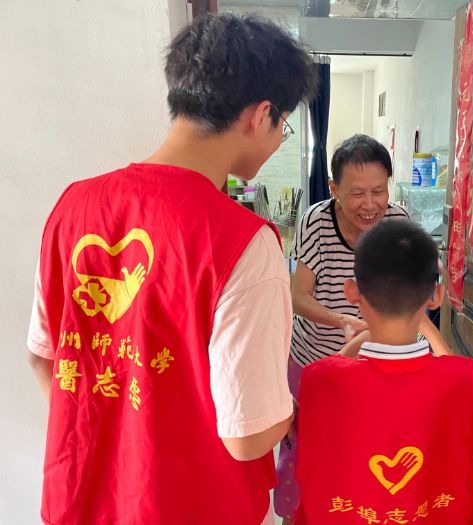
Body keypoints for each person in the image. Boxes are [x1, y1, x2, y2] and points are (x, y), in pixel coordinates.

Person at [26, 13, 317, 525]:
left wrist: (114, 434)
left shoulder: (72, 207)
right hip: (188, 506)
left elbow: (43, 357)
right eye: (283, 125)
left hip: (81, 498)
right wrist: (295, 410)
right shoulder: (243, 241)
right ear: (261, 115)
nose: (278, 140)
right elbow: (248, 437)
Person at [275, 134, 450, 521]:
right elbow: (298, 296)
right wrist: (341, 320)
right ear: (334, 188)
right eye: (357, 193)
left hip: (374, 366)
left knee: (360, 454)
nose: (370, 205)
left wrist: (374, 334)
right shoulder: (316, 223)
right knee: (305, 451)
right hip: (313, 359)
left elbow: (410, 290)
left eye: (378, 191)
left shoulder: (398, 221)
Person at [293, 220, 473, 524]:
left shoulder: (321, 379)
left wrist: (360, 339)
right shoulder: (463, 379)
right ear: (436, 296)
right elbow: (451, 366)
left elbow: (331, 369)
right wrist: (425, 325)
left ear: (352, 291)